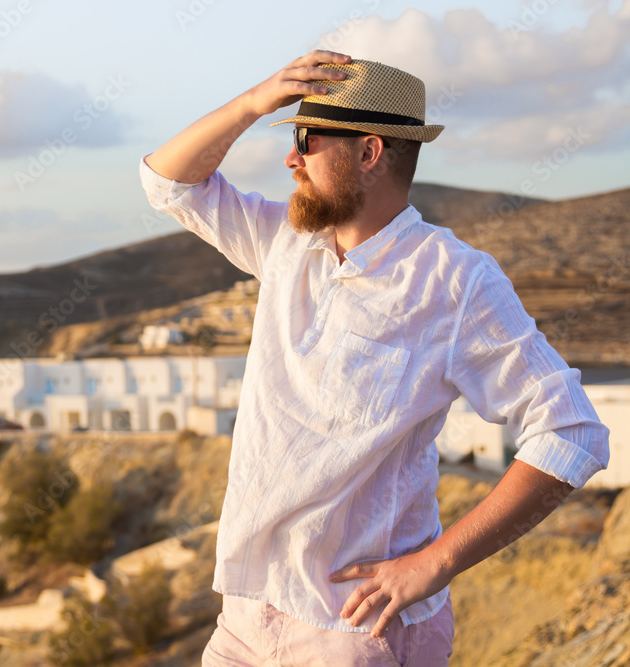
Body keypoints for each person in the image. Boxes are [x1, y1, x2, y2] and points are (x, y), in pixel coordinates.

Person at [140, 51, 609, 666]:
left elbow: (571, 431)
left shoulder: (455, 280)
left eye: (307, 140)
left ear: (369, 153)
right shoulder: (287, 242)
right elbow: (166, 183)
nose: (291, 159)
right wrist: (257, 102)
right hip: (244, 621)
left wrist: (436, 564)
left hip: (357, 633)